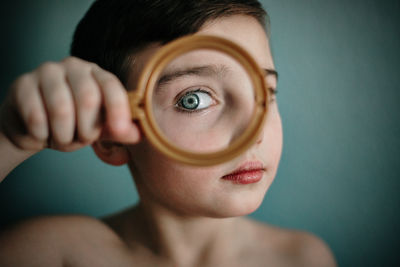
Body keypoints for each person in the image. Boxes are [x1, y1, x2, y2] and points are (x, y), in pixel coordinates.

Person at [0, 0, 337, 266]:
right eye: (194, 99)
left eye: (265, 92)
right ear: (110, 136)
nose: (255, 132)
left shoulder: (303, 258)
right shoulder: (53, 254)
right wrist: (9, 140)